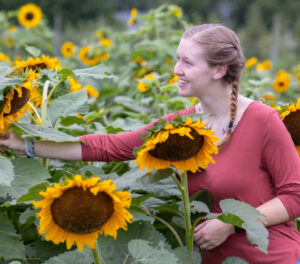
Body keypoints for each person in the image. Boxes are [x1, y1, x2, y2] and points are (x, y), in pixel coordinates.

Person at [1, 24, 300, 263]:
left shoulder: (263, 121)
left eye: (187, 62)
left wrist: (232, 223)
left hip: (271, 257)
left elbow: (295, 197)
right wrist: (25, 145)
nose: (176, 70)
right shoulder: (181, 128)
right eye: (177, 59)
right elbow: (108, 146)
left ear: (218, 70)